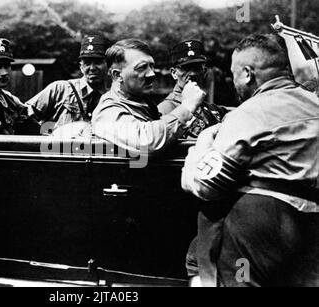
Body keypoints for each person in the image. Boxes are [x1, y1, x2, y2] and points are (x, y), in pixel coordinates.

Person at [181, 34, 319, 287]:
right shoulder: (315, 104)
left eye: (234, 75)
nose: (234, 83)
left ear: (247, 73)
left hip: (258, 229)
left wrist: (201, 144)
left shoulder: (249, 113)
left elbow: (205, 186)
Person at [91, 38, 205, 155]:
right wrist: (186, 107)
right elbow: (146, 142)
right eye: (141, 68)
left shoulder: (143, 105)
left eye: (151, 66)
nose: (152, 74)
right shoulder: (108, 111)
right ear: (117, 75)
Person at [26, 35, 109, 135]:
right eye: (87, 63)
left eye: (98, 62)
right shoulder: (60, 89)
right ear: (81, 66)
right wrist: (46, 135)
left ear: (108, 65)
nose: (92, 68)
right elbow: (24, 114)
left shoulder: (112, 97)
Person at [158, 40, 228, 139]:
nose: (192, 74)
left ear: (204, 72)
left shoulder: (212, 110)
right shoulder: (165, 109)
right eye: (186, 68)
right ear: (174, 73)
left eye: (197, 68)